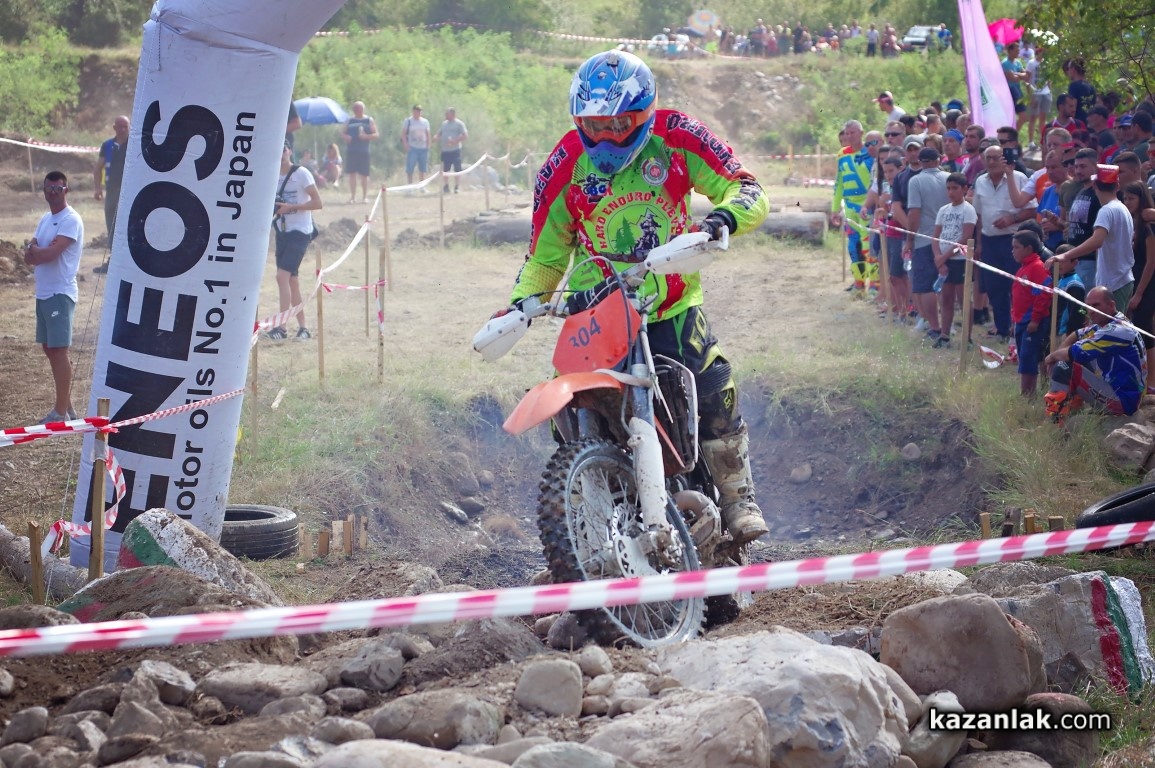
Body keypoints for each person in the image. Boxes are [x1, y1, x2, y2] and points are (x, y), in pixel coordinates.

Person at [491, 50, 770, 546]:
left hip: (670, 300)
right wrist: (521, 304)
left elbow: (745, 187)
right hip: (598, 311)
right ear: (578, 119)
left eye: (620, 123)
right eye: (594, 124)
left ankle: (736, 495)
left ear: (644, 114)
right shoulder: (563, 165)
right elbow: (545, 257)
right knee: (567, 407)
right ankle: (585, 527)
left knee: (711, 380)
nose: (607, 136)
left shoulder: (678, 136)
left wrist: (722, 219)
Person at [24, 171, 83, 423]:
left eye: (58, 188)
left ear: (66, 190)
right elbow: (29, 256)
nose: (53, 193)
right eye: (49, 188)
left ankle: (60, 413)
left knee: (59, 350)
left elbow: (50, 254)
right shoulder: (46, 219)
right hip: (44, 292)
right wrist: (35, 250)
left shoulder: (71, 220)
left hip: (60, 292)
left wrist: (35, 249)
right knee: (50, 348)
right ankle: (67, 407)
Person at [1045, 286, 1146, 417]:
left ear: (1111, 305)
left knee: (1064, 366)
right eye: (1088, 306)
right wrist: (1058, 353)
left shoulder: (1116, 331)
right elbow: (1077, 334)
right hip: (1121, 390)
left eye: (1096, 305)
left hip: (1124, 401)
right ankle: (1072, 407)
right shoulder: (1113, 321)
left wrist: (1050, 358)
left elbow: (1074, 353)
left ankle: (1055, 419)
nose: (1091, 310)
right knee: (1071, 360)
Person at [973, 145, 1036, 342]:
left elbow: (1032, 210)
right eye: (988, 158)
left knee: (1016, 286)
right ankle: (1002, 329)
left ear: (1004, 159)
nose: (992, 162)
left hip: (1013, 239)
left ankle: (1018, 329)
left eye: (996, 158)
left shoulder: (1018, 178)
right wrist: (979, 242)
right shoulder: (980, 181)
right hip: (989, 240)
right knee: (994, 287)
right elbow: (979, 215)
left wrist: (1012, 219)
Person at [1053, 164, 1134, 312]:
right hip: (1122, 278)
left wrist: (1065, 255)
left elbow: (1097, 241)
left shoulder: (1107, 210)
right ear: (1117, 186)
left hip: (1114, 282)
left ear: (1095, 185)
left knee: (1111, 325)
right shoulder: (1122, 208)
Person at [268, 144, 323, 341]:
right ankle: (303, 328)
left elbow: (318, 203)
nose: (281, 154)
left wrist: (291, 207)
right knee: (292, 281)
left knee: (281, 277)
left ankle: (281, 328)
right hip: (282, 231)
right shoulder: (271, 174)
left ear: (290, 151)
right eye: (278, 149)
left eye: (284, 149)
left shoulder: (301, 174)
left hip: (300, 231)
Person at [905, 146, 950, 343]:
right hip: (949, 238)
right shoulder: (949, 178)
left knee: (925, 286)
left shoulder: (915, 181)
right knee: (948, 285)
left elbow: (914, 212)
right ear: (938, 160)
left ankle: (935, 326)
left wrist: (910, 239)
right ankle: (947, 326)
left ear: (921, 162)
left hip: (925, 238)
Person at [932, 172, 977, 345]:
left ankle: (967, 337)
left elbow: (966, 237)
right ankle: (944, 335)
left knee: (963, 299)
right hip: (944, 260)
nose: (951, 192)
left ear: (964, 189)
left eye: (955, 188)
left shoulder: (968, 210)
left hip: (960, 261)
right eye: (948, 188)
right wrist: (938, 258)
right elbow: (935, 236)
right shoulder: (943, 210)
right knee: (946, 299)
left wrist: (944, 256)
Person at [831, 120, 876, 294]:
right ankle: (859, 283)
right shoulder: (842, 154)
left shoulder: (870, 153)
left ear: (861, 133)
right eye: (847, 133)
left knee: (868, 246)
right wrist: (835, 208)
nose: (849, 136)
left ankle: (875, 285)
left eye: (853, 133)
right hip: (849, 207)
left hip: (866, 206)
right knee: (853, 246)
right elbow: (839, 183)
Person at [1010, 230, 1053, 396]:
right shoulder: (1023, 268)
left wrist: (1035, 320)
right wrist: (1015, 319)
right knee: (1024, 358)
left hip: (1032, 322)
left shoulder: (1037, 268)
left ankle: (1028, 394)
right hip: (1021, 321)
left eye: (1016, 247)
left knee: (1029, 358)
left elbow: (1043, 295)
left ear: (1028, 248)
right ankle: (1026, 393)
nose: (1013, 251)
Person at [1124, 181, 1155, 391]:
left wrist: (1139, 294)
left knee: (1145, 328)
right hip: (1134, 280)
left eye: (1132, 198)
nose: (1128, 202)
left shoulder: (1148, 227)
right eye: (1125, 198)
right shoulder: (1132, 223)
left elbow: (1151, 262)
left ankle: (1152, 380)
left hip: (1148, 282)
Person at [91, 115, 129, 274]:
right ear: (114, 128)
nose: (122, 129)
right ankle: (113, 261)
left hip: (130, 193)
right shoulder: (107, 145)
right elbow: (98, 168)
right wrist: (97, 188)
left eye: (125, 126)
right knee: (112, 226)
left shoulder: (134, 144)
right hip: (112, 192)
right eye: (119, 126)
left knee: (129, 225)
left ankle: (129, 262)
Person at [342, 101, 377, 203]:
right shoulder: (349, 120)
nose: (357, 110)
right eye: (355, 108)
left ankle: (364, 197)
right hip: (352, 150)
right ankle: (352, 197)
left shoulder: (369, 120)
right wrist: (346, 137)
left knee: (364, 175)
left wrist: (366, 136)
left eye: (359, 108)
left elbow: (376, 134)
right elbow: (342, 132)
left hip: (364, 150)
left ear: (363, 109)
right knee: (352, 174)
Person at [434, 107, 468, 194]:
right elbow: (439, 133)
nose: (445, 115)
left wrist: (455, 141)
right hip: (445, 150)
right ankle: (446, 186)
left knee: (457, 168)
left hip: (455, 150)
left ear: (453, 114)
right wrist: (436, 137)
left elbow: (465, 135)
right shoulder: (444, 124)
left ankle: (457, 186)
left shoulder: (459, 124)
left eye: (447, 114)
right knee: (445, 169)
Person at [1025, 46, 1050, 148]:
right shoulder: (1031, 63)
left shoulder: (1046, 63)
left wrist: (1049, 89)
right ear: (1038, 53)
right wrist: (1030, 96)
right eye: (1042, 52)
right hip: (1035, 92)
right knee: (1033, 117)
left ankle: (1042, 140)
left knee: (1043, 118)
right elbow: (1027, 79)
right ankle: (1031, 141)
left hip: (1046, 92)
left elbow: (1049, 78)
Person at [401, 104, 432, 187]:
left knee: (423, 169)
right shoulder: (408, 121)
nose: (418, 113)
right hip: (412, 148)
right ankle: (410, 186)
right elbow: (403, 134)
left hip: (423, 148)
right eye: (416, 111)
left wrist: (428, 145)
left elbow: (428, 134)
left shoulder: (425, 122)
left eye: (419, 111)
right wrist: (406, 145)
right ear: (413, 111)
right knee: (410, 168)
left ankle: (422, 186)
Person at [1001, 42, 1029, 126]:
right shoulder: (1005, 64)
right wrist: (1020, 76)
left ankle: (1013, 131)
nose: (1018, 52)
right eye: (1016, 51)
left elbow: (1026, 76)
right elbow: (1013, 78)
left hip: (1017, 90)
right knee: (1011, 116)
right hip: (1010, 91)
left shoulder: (1018, 62)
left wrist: (1016, 73)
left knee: (1024, 117)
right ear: (1010, 51)